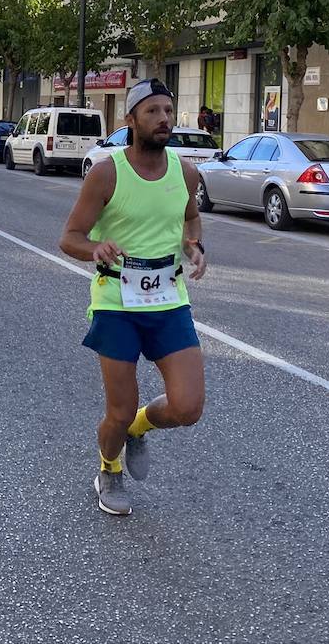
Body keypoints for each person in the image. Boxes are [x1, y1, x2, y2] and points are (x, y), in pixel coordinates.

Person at [59, 78, 208, 517]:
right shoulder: (108, 172)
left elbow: (192, 219)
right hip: (116, 304)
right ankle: (109, 466)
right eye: (153, 111)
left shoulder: (186, 172)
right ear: (131, 120)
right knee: (118, 411)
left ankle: (139, 429)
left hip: (168, 300)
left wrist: (194, 245)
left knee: (188, 407)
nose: (164, 119)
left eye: (168, 110)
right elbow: (69, 237)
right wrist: (95, 249)